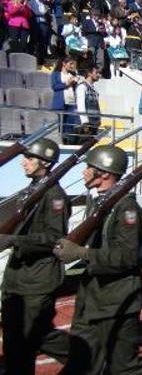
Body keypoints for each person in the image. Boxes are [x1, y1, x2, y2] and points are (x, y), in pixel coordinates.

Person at [54, 145, 142, 374]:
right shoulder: (100, 201)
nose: (84, 172)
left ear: (104, 173)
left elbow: (126, 257)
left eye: (89, 167)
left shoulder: (127, 209)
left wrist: (81, 253)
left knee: (124, 367)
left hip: (117, 300)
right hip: (94, 296)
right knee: (83, 361)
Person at [0, 139, 70, 374]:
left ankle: (87, 358)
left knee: (37, 334)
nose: (23, 163)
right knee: (13, 339)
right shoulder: (32, 189)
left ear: (46, 163)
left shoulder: (54, 195)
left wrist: (13, 241)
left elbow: (53, 237)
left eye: (30, 159)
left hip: (37, 278)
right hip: (18, 276)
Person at [73, 66, 101, 142]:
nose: (99, 75)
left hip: (94, 123)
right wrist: (85, 123)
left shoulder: (93, 89)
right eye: (96, 73)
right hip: (87, 125)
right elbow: (81, 105)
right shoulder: (82, 87)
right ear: (89, 74)